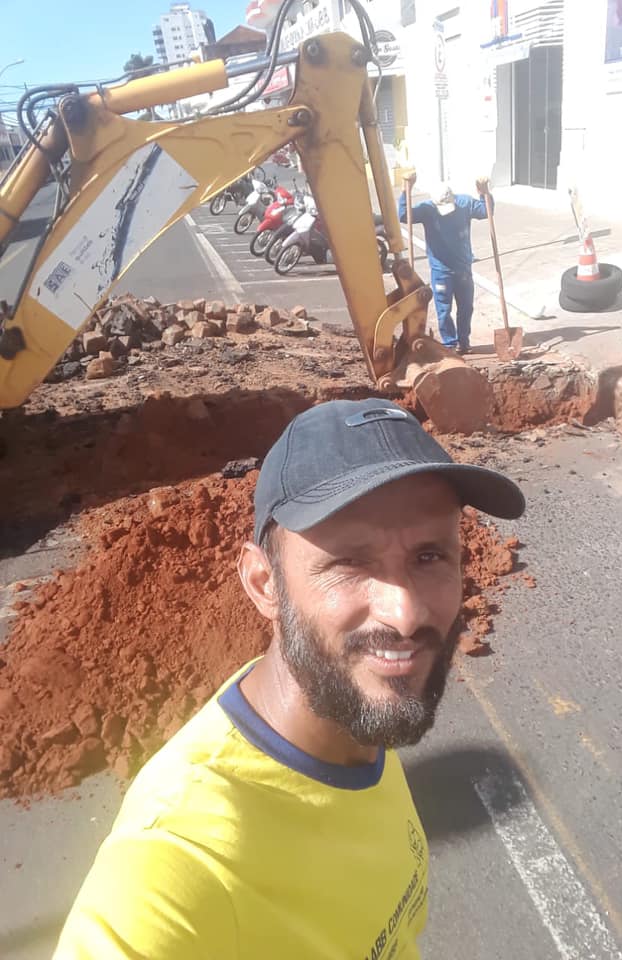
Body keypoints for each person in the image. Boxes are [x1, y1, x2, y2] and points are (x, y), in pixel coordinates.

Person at [54, 398, 524, 959]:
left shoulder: (353, 717)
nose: (405, 614)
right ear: (263, 583)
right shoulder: (176, 863)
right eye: (350, 562)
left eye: (429, 555)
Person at [399, 172, 493, 354]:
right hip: (441, 270)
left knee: (466, 308)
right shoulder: (427, 209)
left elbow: (485, 211)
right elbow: (404, 215)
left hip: (463, 268)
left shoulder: (465, 203)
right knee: (444, 310)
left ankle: (464, 343)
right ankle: (450, 345)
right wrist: (406, 191)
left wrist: (484, 193)